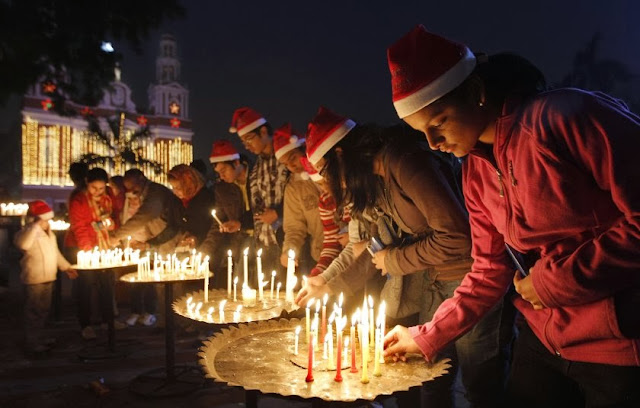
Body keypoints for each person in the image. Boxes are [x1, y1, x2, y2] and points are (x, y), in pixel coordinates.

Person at [383, 25, 640, 407]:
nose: (434, 144)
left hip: (619, 349)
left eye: (438, 123)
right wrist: (427, 335)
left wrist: (556, 282)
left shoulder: (564, 119)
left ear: (476, 93)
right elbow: (488, 270)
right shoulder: (475, 172)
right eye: (423, 133)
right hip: (542, 342)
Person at [302, 106, 512, 408]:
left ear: (339, 157)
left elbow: (458, 239)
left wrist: (395, 261)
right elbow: (378, 249)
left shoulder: (405, 162)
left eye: (324, 172)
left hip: (475, 283)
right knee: (429, 382)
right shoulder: (377, 180)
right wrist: (327, 285)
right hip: (434, 284)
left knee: (481, 387)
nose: (330, 182)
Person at [229, 107, 289, 282]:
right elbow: (257, 210)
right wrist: (240, 223)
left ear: (263, 132)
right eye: (243, 142)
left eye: (249, 139)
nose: (247, 146)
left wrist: (278, 213)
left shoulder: (286, 159)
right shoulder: (255, 169)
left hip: (285, 241)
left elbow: (298, 198)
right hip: (263, 243)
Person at [14, 200, 77, 354]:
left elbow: (55, 253)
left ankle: (39, 337)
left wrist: (66, 267)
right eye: (44, 221)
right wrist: (34, 228)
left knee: (43, 310)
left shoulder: (50, 234)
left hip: (49, 277)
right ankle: (31, 341)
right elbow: (23, 245)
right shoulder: (27, 232)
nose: (46, 224)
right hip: (34, 279)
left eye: (47, 221)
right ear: (35, 220)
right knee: (33, 311)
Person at [67, 167, 121, 340]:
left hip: (105, 245)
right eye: (93, 188)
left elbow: (115, 217)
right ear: (86, 184)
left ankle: (108, 320)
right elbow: (80, 227)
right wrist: (88, 252)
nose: (97, 192)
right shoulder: (79, 200)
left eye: (101, 188)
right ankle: (86, 324)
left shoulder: (108, 197)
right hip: (84, 247)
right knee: (86, 286)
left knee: (106, 284)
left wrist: (111, 225)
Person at [273, 123, 326, 274]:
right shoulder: (294, 187)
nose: (291, 166)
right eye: (285, 164)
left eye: (293, 158)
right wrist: (289, 250)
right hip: (322, 255)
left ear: (304, 148)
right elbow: (294, 227)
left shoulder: (329, 170)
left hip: (353, 251)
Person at [200, 139, 253, 288]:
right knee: (240, 287)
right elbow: (218, 223)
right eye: (218, 173)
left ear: (236, 163)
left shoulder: (257, 176)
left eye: (224, 171)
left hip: (264, 237)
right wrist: (206, 249)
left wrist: (240, 223)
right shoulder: (222, 189)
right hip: (240, 243)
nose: (221, 176)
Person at [110, 168, 184, 254]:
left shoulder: (155, 193)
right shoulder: (146, 193)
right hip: (160, 240)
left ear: (141, 178)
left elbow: (144, 216)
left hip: (170, 239)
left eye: (134, 186)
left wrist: (117, 235)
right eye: (130, 189)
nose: (133, 191)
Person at [167, 164, 216, 249]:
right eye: (173, 188)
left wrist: (195, 237)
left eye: (178, 187)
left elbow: (208, 226)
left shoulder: (206, 198)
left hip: (206, 247)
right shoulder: (177, 202)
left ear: (189, 183)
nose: (175, 192)